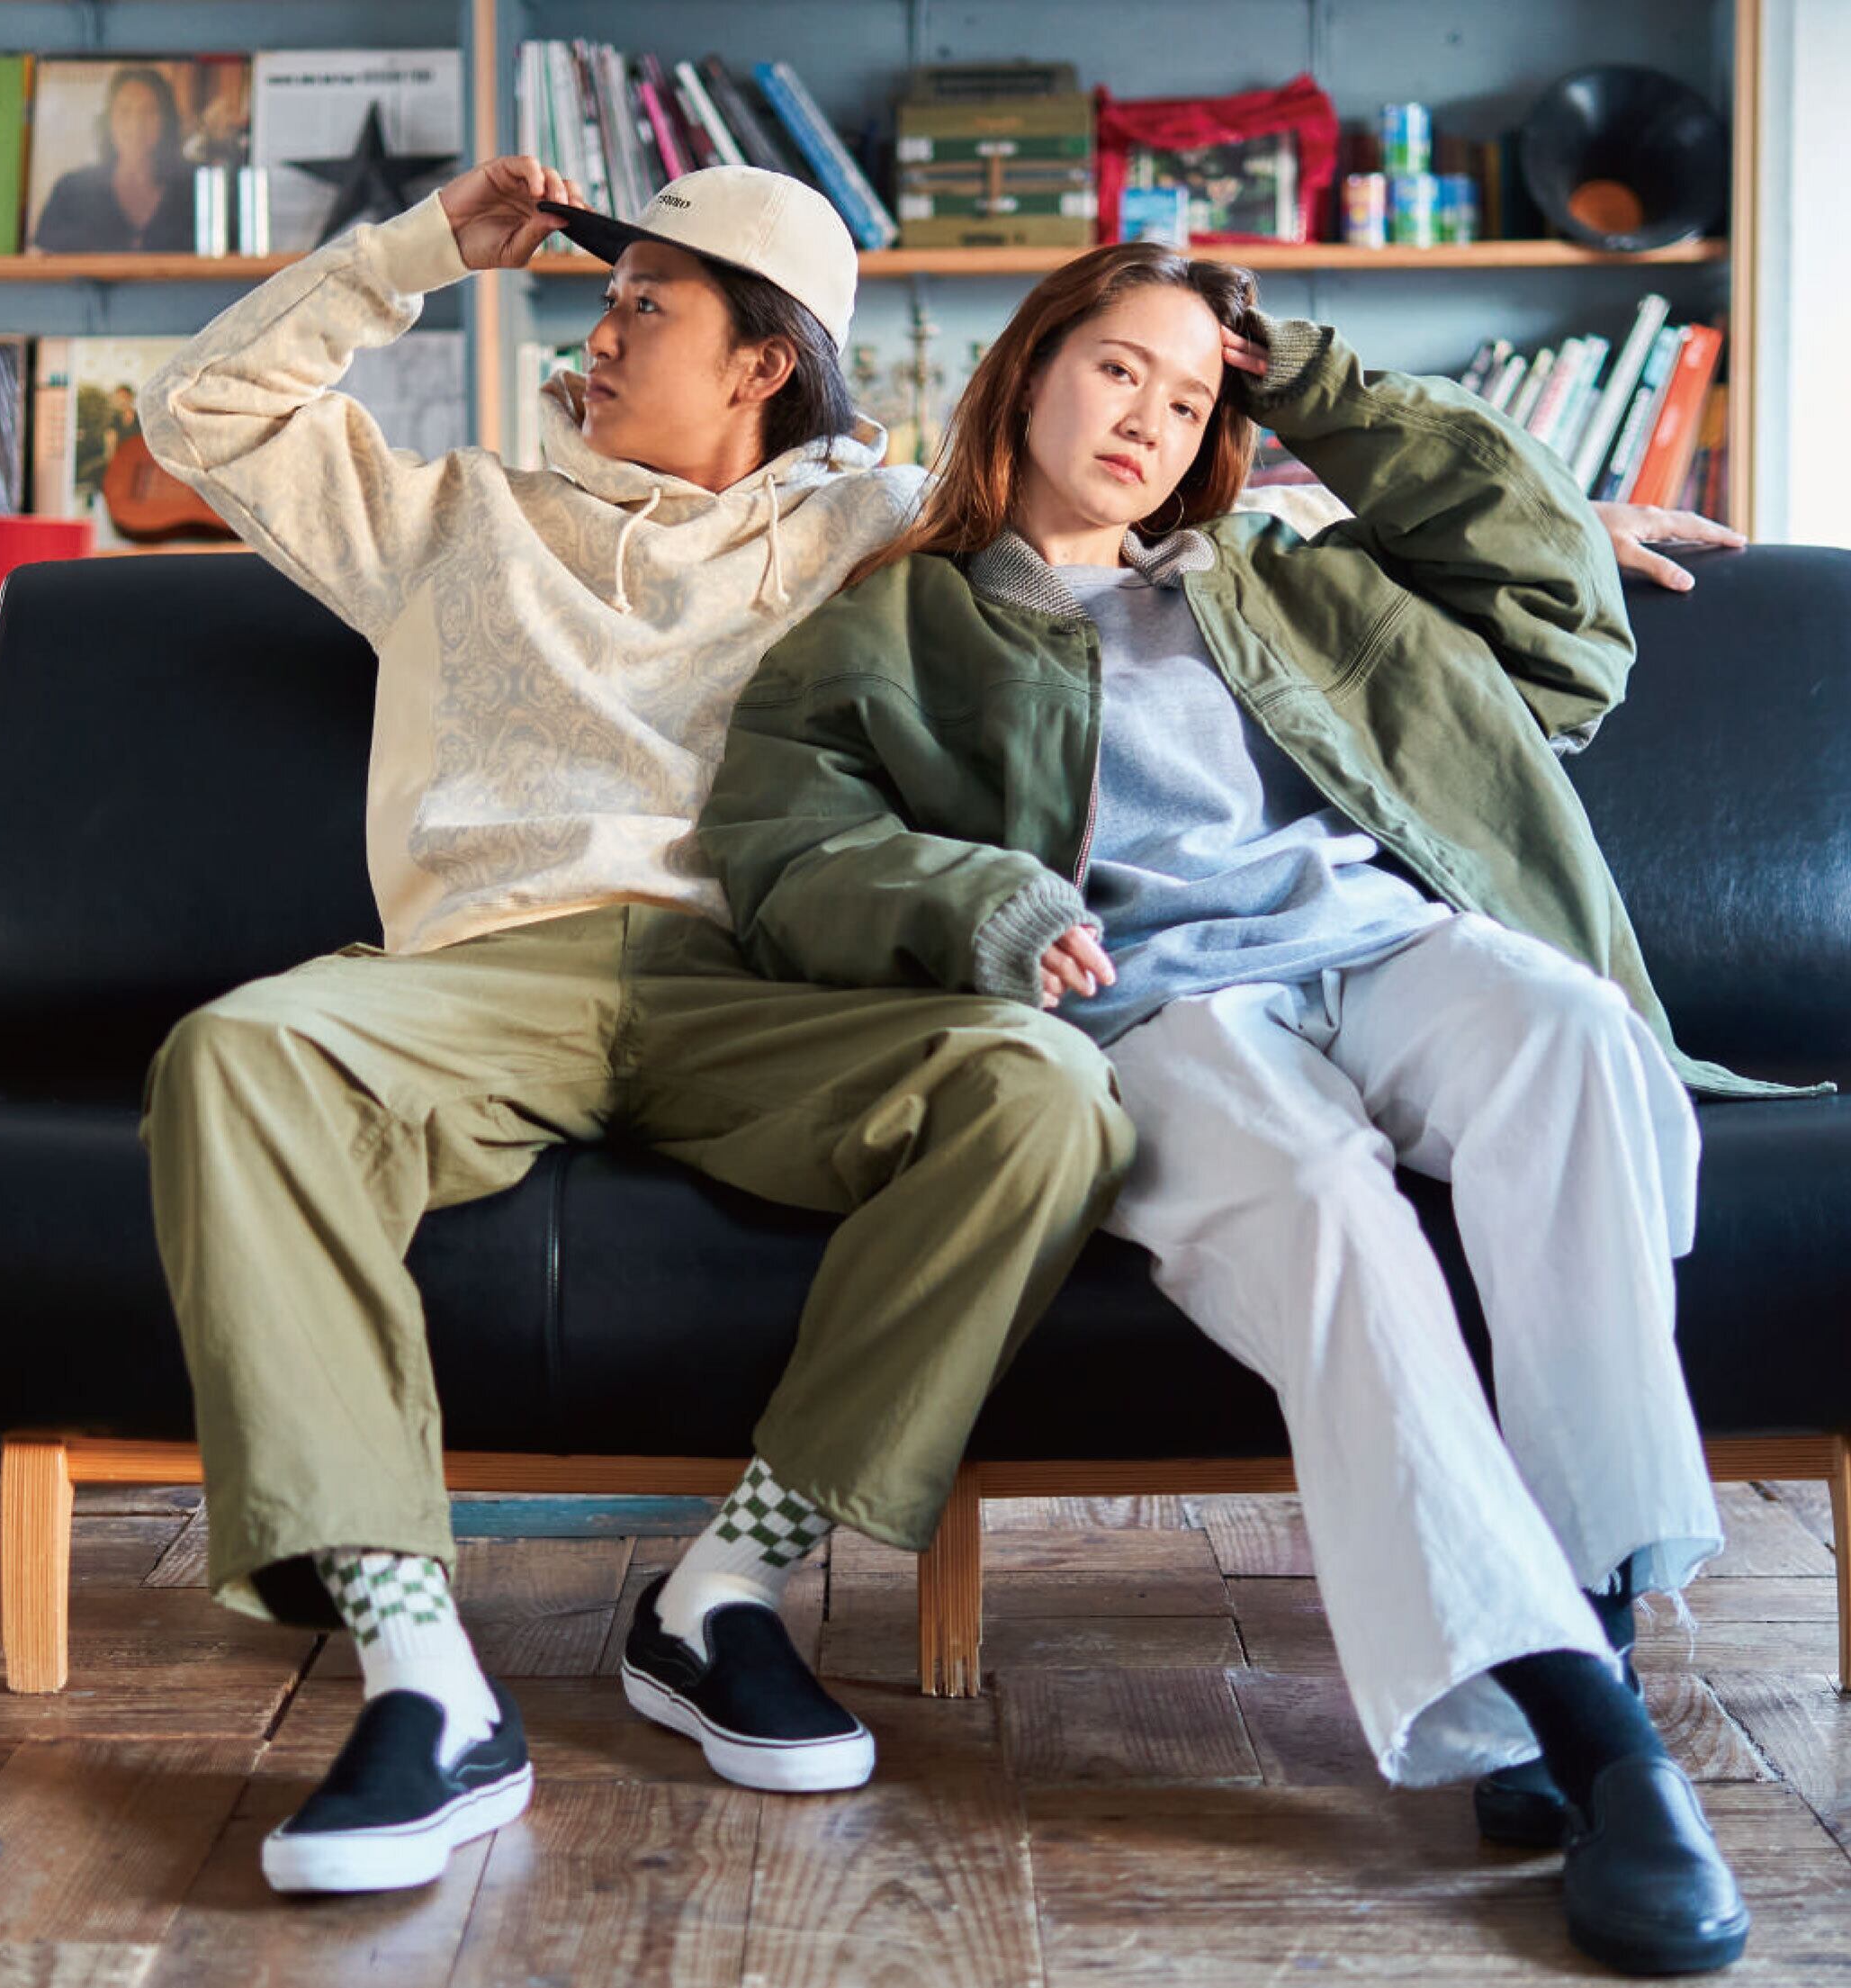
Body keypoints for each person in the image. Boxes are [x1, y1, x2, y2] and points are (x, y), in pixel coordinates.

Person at [697, 239, 1800, 1975]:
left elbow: (1555, 619)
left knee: (1570, 1031)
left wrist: (1316, 384)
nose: (1147, 416)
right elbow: (781, 853)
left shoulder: (1281, 570)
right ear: (1028, 370)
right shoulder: (889, 622)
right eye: (1115, 368)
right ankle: (1598, 1740)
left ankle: (1581, 1615)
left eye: (1190, 392)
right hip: (1155, 1005)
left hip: (1376, 943)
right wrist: (982, 902)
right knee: (1317, 1196)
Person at [135, 158, 1134, 1896]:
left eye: (641, 308)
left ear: (762, 362)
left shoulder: (883, 532)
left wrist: (1554, 539)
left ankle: (726, 1586)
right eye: (600, 303)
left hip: (765, 986)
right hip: (484, 970)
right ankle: (420, 1672)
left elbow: (1149, 521)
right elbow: (196, 412)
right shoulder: (452, 518)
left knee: (1041, 1087)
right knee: (234, 1053)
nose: (592, 337)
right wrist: (417, 251)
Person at [34, 66, 196, 254]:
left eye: (149, 112)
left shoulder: (193, 187)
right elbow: (43, 262)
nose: (136, 125)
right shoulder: (70, 190)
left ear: (167, 121)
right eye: (124, 111)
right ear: (108, 121)